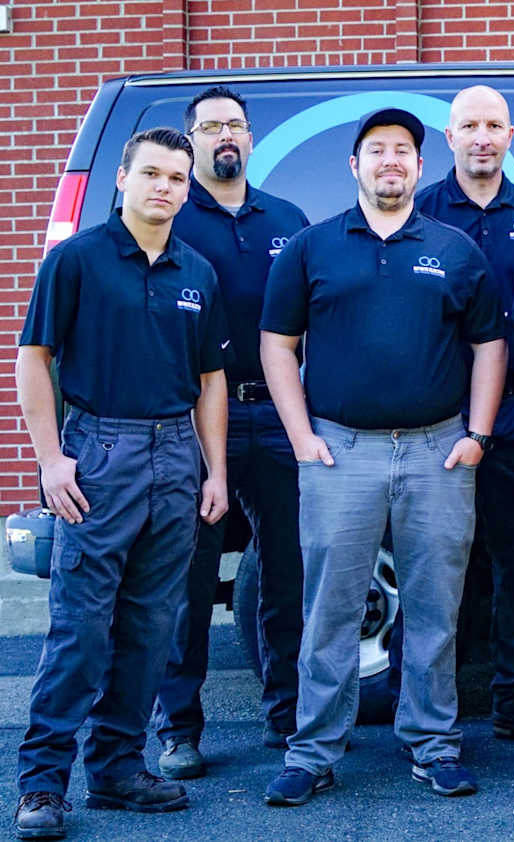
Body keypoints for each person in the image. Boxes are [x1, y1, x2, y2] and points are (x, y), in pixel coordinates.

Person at [259, 108, 506, 805]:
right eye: (376, 150)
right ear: (355, 165)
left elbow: (490, 344)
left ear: (421, 166)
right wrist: (301, 436)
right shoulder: (311, 247)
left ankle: (433, 744)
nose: (390, 160)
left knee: (435, 607)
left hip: (438, 452)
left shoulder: (456, 249)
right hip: (340, 452)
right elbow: (277, 343)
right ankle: (312, 751)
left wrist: (478, 435)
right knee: (330, 610)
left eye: (402, 150)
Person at [13, 128, 230, 840]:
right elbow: (34, 358)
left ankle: (116, 769)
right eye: (152, 174)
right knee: (81, 628)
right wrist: (51, 460)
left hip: (176, 457)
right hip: (99, 453)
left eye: (177, 177)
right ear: (122, 178)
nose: (164, 187)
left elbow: (210, 380)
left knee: (150, 626)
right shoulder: (76, 260)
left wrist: (215, 470)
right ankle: (42, 786)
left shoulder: (197, 271)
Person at [153, 85, 311, 782]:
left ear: (250, 138)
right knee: (187, 580)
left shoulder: (288, 219)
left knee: (287, 573)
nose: (226, 135)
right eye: (212, 125)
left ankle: (288, 715)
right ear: (190, 141)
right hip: (193, 420)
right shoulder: (169, 216)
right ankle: (179, 729)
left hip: (276, 414)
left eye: (236, 125)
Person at [415, 85, 514, 749]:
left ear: (510, 136)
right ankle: (431, 705)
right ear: (449, 137)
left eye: (494, 125)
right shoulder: (419, 211)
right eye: (469, 125)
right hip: (437, 414)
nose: (482, 136)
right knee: (434, 564)